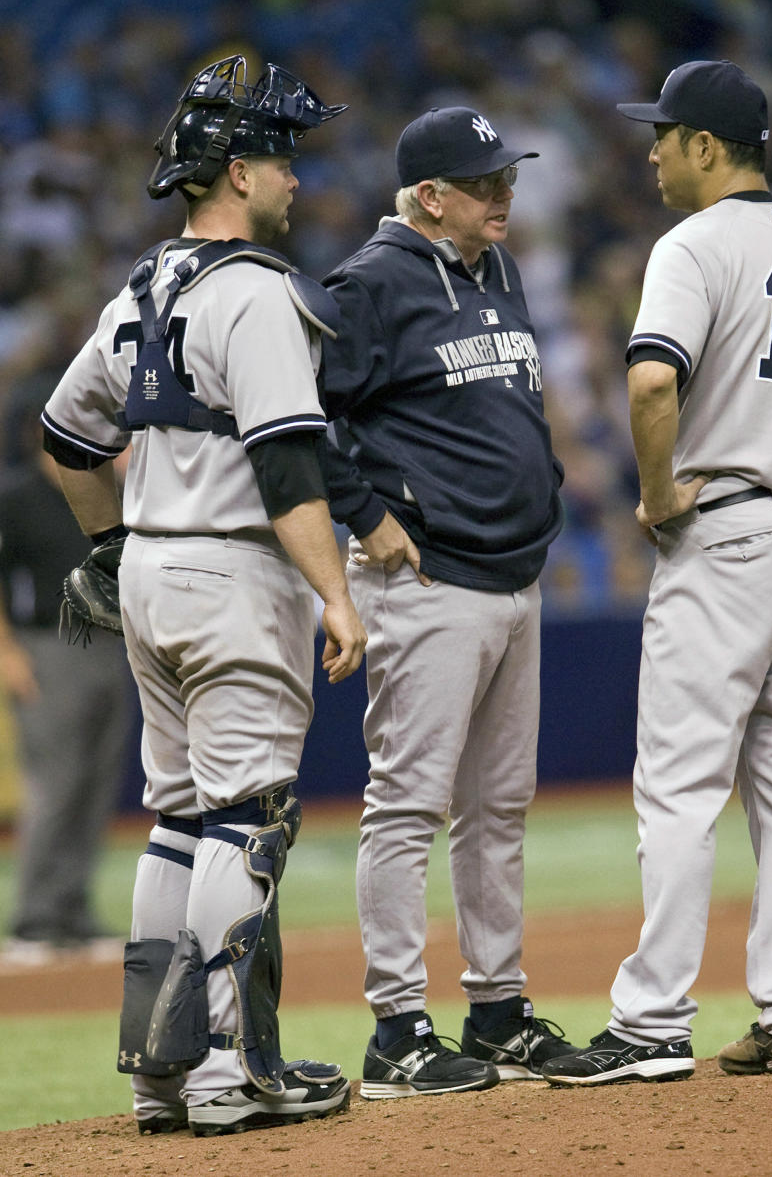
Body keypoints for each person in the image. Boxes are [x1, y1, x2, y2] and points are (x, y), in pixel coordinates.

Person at [540, 60, 772, 1087]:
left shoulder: (693, 243)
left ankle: (653, 1016)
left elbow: (654, 378)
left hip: (732, 527)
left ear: (707, 147)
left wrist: (657, 496)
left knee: (680, 783)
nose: (652, 150)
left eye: (664, 135)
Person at [40, 55, 366, 1136]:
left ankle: (156, 1072)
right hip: (234, 570)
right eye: (281, 154)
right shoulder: (259, 294)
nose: (294, 178)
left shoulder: (140, 286)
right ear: (236, 168)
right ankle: (233, 1069)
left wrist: (112, 543)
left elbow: (63, 436)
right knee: (249, 815)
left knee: (178, 819)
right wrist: (337, 593)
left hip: (150, 575)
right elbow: (285, 465)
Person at [320, 105, 577, 1097]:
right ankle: (396, 1029)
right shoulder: (368, 284)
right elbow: (305, 414)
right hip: (426, 578)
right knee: (408, 802)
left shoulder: (498, 271)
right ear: (430, 196)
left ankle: (499, 1011)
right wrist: (365, 514)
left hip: (517, 571)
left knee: (499, 805)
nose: (504, 194)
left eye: (507, 177)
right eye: (485, 183)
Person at [0, 376, 129, 963]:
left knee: (96, 781)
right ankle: (34, 918)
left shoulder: (110, 491)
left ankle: (72, 912)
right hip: (46, 646)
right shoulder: (17, 494)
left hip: (110, 644)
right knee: (55, 784)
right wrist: (6, 652)